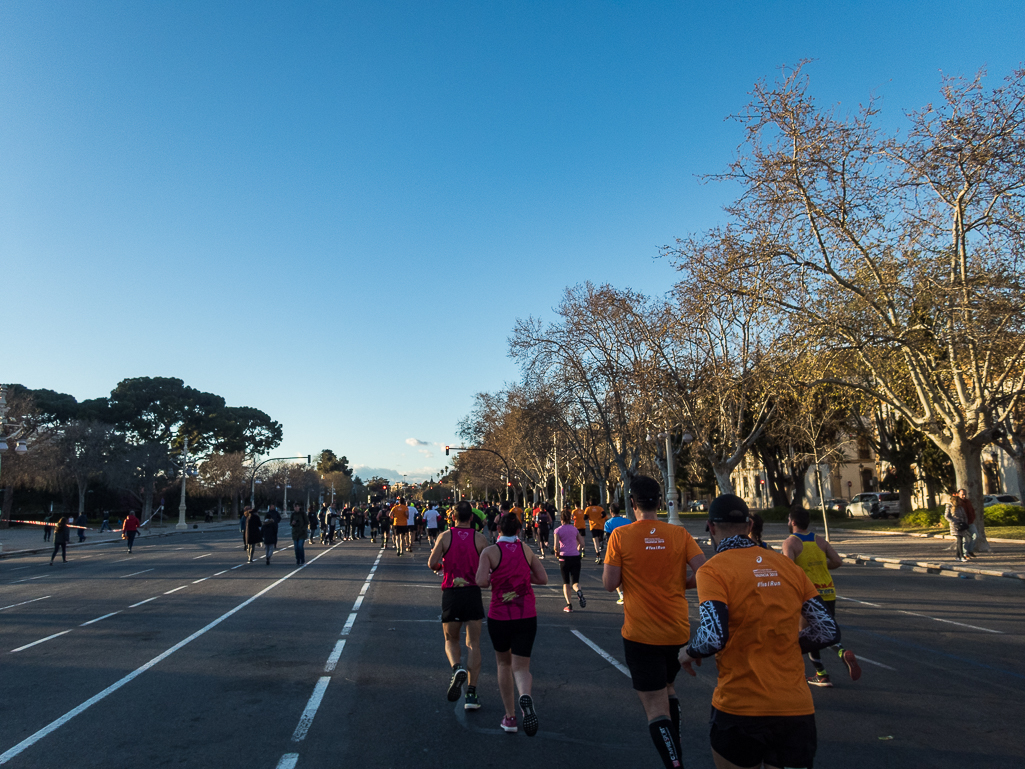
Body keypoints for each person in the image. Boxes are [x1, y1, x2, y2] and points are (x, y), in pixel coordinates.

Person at [680, 493, 840, 769]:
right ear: (749, 524)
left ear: (711, 527)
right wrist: (786, 643)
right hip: (795, 708)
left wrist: (688, 651)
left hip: (740, 708)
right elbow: (827, 630)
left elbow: (713, 636)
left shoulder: (712, 571)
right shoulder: (786, 567)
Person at [602, 475, 706, 769]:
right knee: (668, 688)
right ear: (660, 502)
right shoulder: (679, 535)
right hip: (677, 631)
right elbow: (704, 571)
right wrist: (681, 583)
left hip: (641, 635)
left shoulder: (620, 536)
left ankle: (675, 763)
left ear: (632, 503)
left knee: (655, 707)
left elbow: (610, 584)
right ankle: (676, 745)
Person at [475, 513, 548, 736]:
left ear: (498, 530)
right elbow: (542, 578)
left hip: (500, 616)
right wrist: (523, 580)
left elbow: (481, 582)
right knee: (522, 667)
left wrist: (493, 576)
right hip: (526, 614)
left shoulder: (490, 552)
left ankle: (510, 716)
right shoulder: (526, 549)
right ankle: (525, 697)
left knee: (503, 664)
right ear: (518, 530)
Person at [783, 507, 861, 688]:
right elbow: (837, 561)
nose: (788, 523)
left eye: (788, 520)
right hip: (828, 593)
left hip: (808, 594)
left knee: (807, 635)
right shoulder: (820, 541)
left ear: (793, 522)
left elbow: (789, 569)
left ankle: (822, 674)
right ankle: (841, 652)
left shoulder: (790, 543)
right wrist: (821, 568)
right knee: (825, 630)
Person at [428, 501, 489, 711]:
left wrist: (442, 567)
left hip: (452, 592)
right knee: (474, 644)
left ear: (453, 517)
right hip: (472, 593)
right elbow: (489, 566)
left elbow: (431, 563)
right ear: (471, 518)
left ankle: (456, 668)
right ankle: (471, 693)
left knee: (450, 639)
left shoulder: (445, 536)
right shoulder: (480, 539)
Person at [554, 509, 587, 612]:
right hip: (575, 557)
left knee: (566, 582)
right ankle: (579, 591)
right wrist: (578, 549)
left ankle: (569, 605)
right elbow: (582, 543)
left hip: (564, 558)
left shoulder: (558, 530)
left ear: (561, 519)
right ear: (570, 518)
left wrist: (557, 553)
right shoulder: (574, 529)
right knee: (575, 582)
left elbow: (556, 546)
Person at [603, 502, 630, 604]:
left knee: (617, 573)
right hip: (628, 549)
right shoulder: (627, 521)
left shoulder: (608, 523)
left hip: (615, 550)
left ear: (610, 511)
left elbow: (608, 538)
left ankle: (621, 595)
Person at [958, 489, 979, 559]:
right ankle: (965, 553)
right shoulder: (958, 503)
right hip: (963, 523)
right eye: (962, 494)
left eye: (965, 494)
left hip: (970, 522)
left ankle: (970, 550)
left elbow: (972, 510)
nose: (964, 496)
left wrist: (973, 518)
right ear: (958, 494)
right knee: (965, 539)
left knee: (975, 535)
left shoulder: (968, 502)